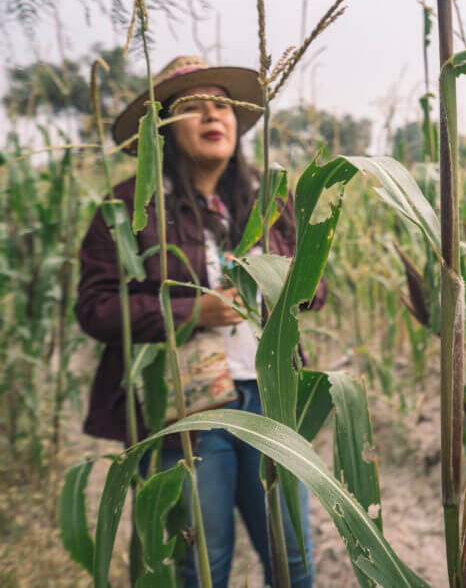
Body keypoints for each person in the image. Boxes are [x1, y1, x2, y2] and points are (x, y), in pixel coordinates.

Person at [76, 55, 324, 588]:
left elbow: (315, 287)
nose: (214, 115)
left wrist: (277, 287)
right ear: (161, 128)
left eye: (224, 105)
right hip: (183, 410)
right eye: (193, 107)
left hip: (270, 400)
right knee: (201, 565)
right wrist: (194, 310)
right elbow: (97, 307)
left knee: (294, 561)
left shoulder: (271, 199)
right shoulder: (127, 207)